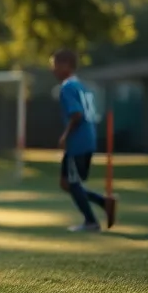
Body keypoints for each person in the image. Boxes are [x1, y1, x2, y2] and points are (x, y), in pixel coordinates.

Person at [51, 49, 117, 231]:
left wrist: (65, 136)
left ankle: (91, 222)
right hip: (88, 138)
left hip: (77, 142)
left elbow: (77, 114)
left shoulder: (66, 88)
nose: (53, 70)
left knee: (73, 182)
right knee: (66, 183)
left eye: (55, 65)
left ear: (66, 66)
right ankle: (104, 202)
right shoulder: (81, 86)